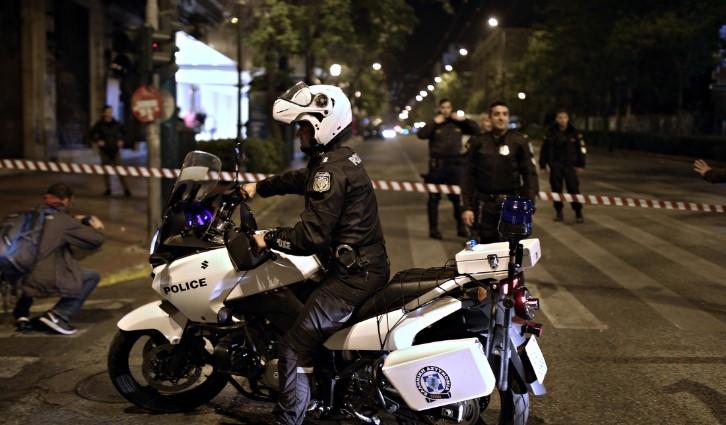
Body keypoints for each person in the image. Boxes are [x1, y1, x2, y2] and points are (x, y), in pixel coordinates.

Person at [240, 82, 390, 425]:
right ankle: (322, 388)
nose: (299, 134)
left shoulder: (329, 171)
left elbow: (310, 236)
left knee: (293, 347)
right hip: (361, 267)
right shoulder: (337, 158)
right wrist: (259, 187)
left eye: (303, 127)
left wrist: (267, 238)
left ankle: (289, 418)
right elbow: (299, 180)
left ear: (323, 124)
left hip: (352, 278)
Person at [13, 183, 105, 335]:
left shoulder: (30, 215)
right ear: (66, 200)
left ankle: (21, 315)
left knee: (33, 261)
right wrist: (98, 228)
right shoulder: (63, 221)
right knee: (91, 276)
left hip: (16, 276)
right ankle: (58, 315)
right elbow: (96, 241)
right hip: (43, 279)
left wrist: (73, 219)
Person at [461, 101, 539, 243]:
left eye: (505, 114)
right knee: (487, 248)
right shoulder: (479, 142)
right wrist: (467, 207)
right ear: (490, 117)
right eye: (497, 114)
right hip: (485, 206)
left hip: (512, 205)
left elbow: (529, 175)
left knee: (512, 248)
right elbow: (468, 176)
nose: (501, 118)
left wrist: (529, 204)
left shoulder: (519, 141)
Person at [417, 99, 479, 239]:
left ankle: (461, 227)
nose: (445, 110)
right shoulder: (436, 123)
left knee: (457, 199)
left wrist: (463, 120)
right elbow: (421, 134)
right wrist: (434, 122)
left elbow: (476, 129)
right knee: (434, 199)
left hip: (455, 166)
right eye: (443, 107)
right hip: (437, 166)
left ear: (451, 108)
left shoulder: (457, 123)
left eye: (448, 107)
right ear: (439, 109)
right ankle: (433, 229)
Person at [539, 108, 587, 223]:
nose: (562, 120)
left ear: (568, 119)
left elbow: (581, 149)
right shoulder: (550, 133)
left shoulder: (574, 133)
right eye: (560, 117)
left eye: (564, 117)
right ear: (556, 119)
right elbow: (544, 149)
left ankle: (578, 212)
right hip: (555, 165)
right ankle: (559, 212)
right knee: (556, 189)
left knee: (573, 188)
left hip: (570, 165)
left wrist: (581, 164)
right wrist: (543, 164)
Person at [89, 105, 131, 197]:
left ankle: (126, 189)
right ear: (104, 113)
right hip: (104, 151)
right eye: (108, 112)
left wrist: (122, 140)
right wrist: (97, 141)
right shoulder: (99, 125)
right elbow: (90, 134)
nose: (110, 113)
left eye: (111, 112)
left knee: (121, 170)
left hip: (115, 151)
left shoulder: (117, 124)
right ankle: (108, 189)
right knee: (106, 171)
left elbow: (125, 133)